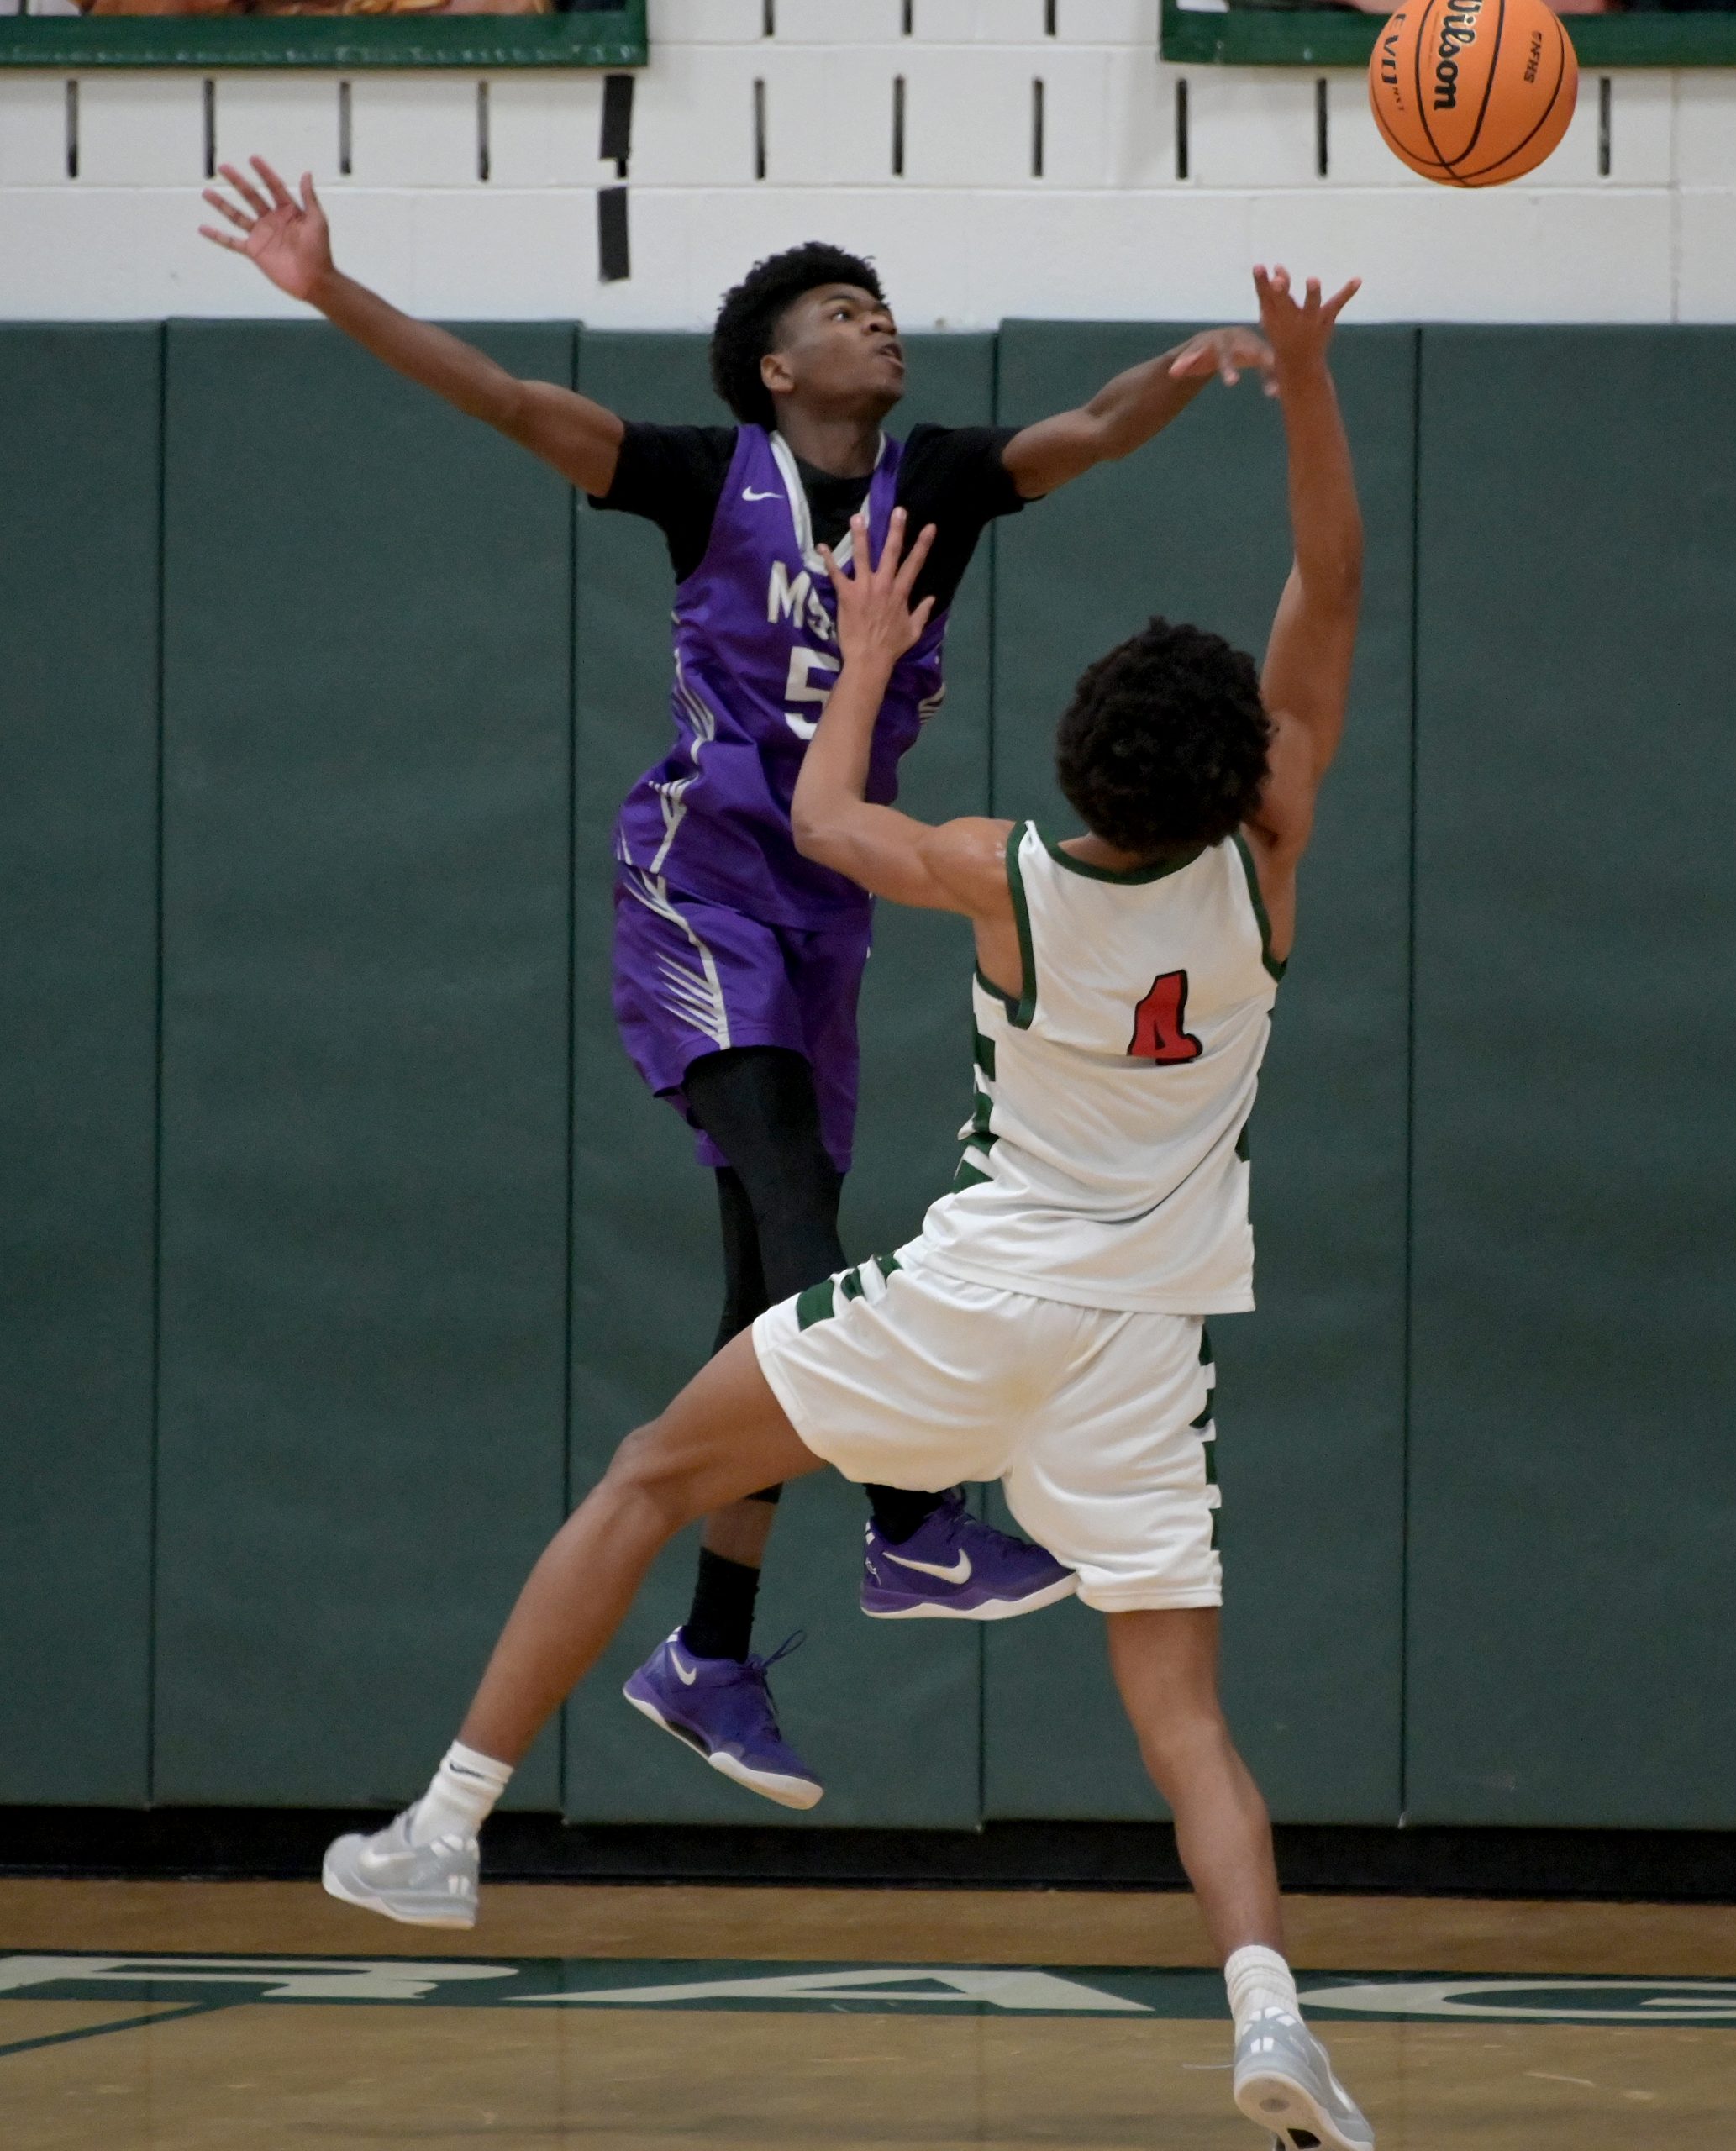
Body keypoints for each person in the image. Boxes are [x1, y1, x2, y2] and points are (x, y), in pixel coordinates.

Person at [319, 258, 1368, 2148]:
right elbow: (1331, 590)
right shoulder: (1266, 877)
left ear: (1080, 759)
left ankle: (446, 1822)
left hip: (975, 1300)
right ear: (1250, 777)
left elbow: (822, 822)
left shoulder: (1003, 875)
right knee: (1185, 1721)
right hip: (1151, 1341)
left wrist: (868, 652)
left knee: (650, 1465)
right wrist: (1300, 386)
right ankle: (1271, 2015)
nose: (878, 322)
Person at [199, 159, 1276, 1814]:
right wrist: (331, 287)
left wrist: (1190, 366)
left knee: (762, 1290)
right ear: (778, 367)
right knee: (792, 1207)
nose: (879, 322)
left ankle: (708, 1652)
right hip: (701, 885)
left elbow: (1089, 430)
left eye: (881, 303)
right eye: (844, 311)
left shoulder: (937, 482)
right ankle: (911, 1521)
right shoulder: (705, 480)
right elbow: (507, 400)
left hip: (829, 909)